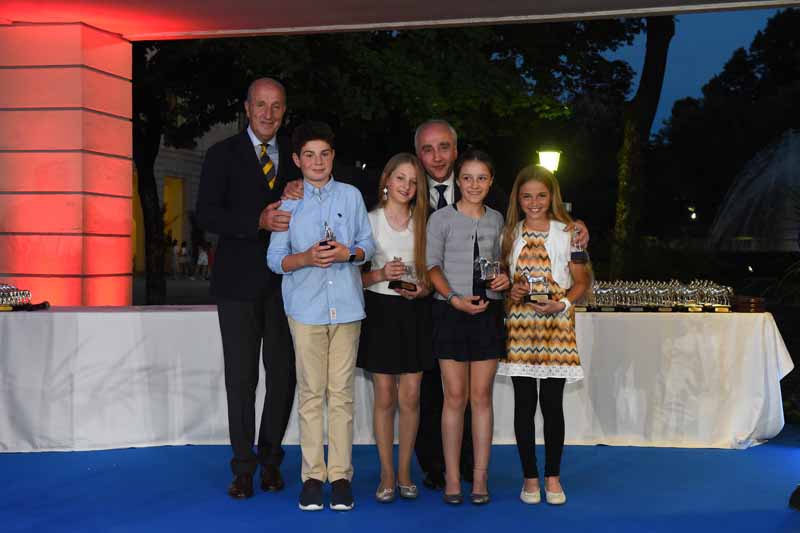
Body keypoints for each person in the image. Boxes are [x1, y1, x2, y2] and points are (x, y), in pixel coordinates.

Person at [196, 77, 301, 500]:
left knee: (283, 376)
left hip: (288, 285)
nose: (268, 114)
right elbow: (206, 215)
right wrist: (256, 221)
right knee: (241, 380)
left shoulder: (298, 156)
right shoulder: (221, 154)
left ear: (284, 111)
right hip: (236, 285)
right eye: (261, 105)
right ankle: (242, 467)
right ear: (247, 108)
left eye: (276, 106)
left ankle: (271, 460)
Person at [267, 121, 375, 512]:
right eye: (309, 155)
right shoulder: (288, 203)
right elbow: (275, 259)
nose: (317, 162)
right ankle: (313, 477)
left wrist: (350, 254)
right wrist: (306, 258)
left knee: (342, 395)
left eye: (324, 154)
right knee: (311, 394)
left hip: (346, 307)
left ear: (333, 156)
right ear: (297, 160)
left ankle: (341, 477)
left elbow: (367, 245)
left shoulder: (350, 196)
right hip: (305, 310)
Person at [497, 164, 590, 506]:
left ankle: (553, 476)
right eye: (527, 196)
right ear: (517, 199)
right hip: (520, 326)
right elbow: (504, 282)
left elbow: (581, 281)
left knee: (552, 404)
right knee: (524, 404)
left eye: (540, 195)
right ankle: (529, 477)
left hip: (557, 326)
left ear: (552, 197)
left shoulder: (569, 233)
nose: (534, 202)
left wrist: (561, 303)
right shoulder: (509, 234)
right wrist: (513, 291)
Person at [426, 149, 510, 505]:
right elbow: (431, 266)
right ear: (457, 181)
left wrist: (505, 278)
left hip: (488, 314)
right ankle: (451, 478)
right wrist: (453, 299)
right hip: (450, 313)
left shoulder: (499, 220)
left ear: (490, 182)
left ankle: (479, 477)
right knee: (454, 398)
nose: (474, 185)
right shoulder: (440, 219)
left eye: (481, 178)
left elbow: (506, 263)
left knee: (481, 398)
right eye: (467, 178)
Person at [356, 153, 432, 503]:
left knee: (411, 396)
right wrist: (381, 274)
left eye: (413, 181)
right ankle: (387, 473)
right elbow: (353, 278)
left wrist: (423, 289)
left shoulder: (424, 223)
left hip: (414, 312)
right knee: (385, 396)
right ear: (387, 180)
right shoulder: (368, 221)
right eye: (400, 178)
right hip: (380, 312)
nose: (406, 186)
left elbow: (432, 276)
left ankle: (405, 473)